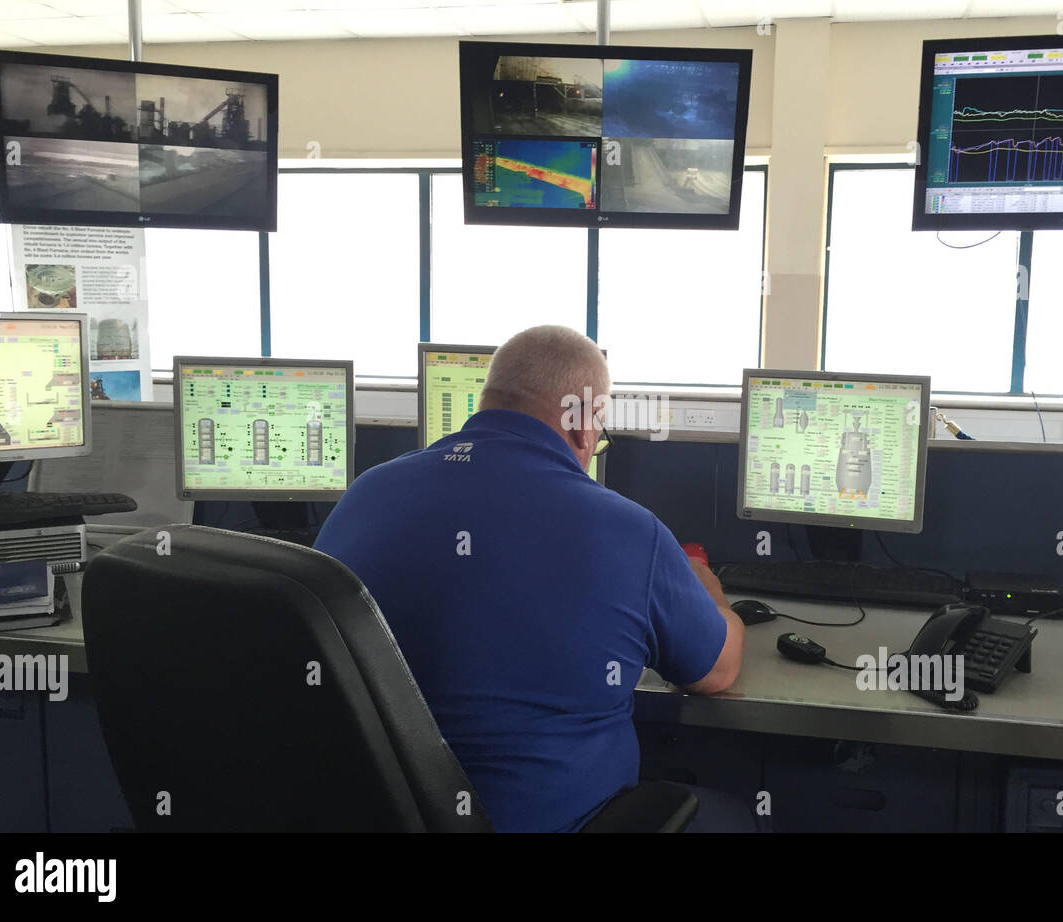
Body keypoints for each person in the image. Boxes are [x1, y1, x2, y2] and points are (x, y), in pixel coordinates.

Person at [314, 325, 745, 833]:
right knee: (739, 815)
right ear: (585, 426)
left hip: (372, 816)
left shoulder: (366, 494)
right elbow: (716, 673)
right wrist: (710, 592)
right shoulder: (629, 531)